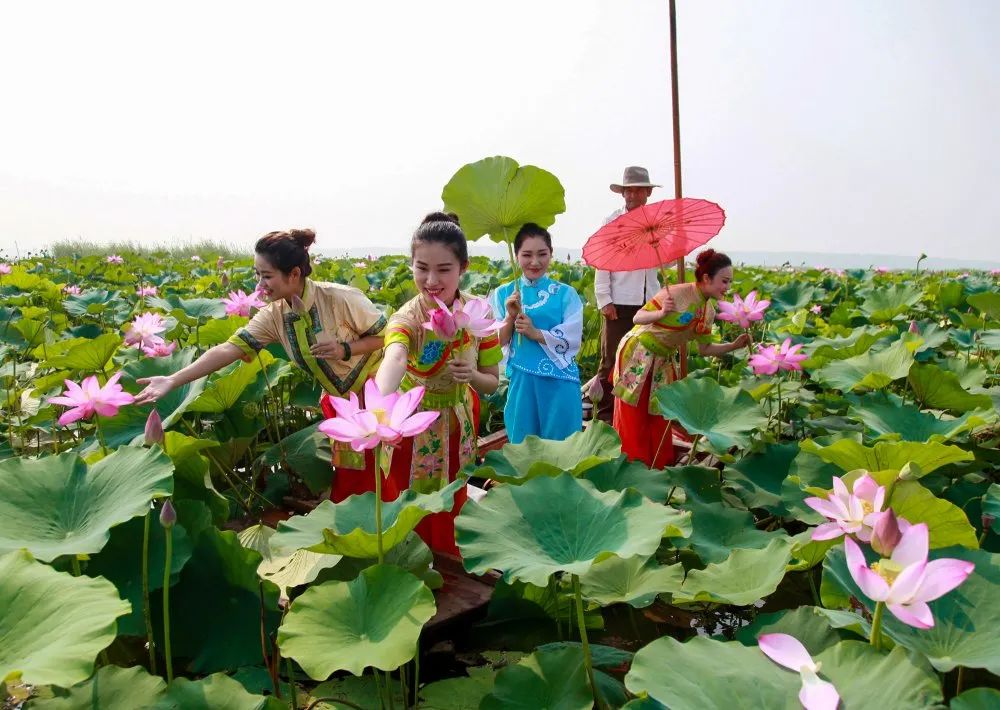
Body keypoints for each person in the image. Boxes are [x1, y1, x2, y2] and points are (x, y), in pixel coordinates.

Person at [133, 229, 387, 501]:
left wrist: (345, 349)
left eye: (267, 276)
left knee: (384, 468)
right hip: (341, 402)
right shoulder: (274, 316)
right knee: (351, 472)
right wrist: (173, 380)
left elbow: (386, 338)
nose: (259, 285)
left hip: (380, 391)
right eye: (257, 275)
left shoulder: (340, 298)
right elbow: (229, 349)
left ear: (294, 274)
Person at [374, 212, 502, 555]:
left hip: (458, 423)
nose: (432, 279)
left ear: (464, 267)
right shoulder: (406, 318)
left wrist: (471, 375)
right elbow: (395, 358)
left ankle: (449, 564)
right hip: (410, 425)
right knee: (407, 506)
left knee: (451, 504)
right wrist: (379, 409)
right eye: (421, 268)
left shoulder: (479, 314)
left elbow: (492, 382)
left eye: (444, 269)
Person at [611, 249, 749, 468]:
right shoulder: (674, 293)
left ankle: (657, 464)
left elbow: (704, 349)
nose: (727, 288)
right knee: (633, 413)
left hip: (663, 358)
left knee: (658, 413)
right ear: (706, 278)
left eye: (730, 282)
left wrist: (733, 346)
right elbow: (638, 317)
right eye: (724, 281)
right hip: (639, 352)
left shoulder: (708, 311)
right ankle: (630, 464)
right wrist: (661, 313)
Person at [490, 223, 583, 444]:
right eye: (527, 255)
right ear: (516, 255)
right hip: (522, 382)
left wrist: (536, 333)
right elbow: (496, 342)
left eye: (542, 254)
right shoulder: (504, 293)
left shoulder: (566, 294)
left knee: (562, 450)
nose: (535, 262)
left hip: (560, 382)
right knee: (523, 448)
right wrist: (510, 317)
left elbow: (572, 338)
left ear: (551, 254)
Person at [593, 166, 662, 422]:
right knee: (611, 360)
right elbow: (602, 260)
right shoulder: (612, 221)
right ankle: (604, 419)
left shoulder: (657, 222)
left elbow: (663, 260)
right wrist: (604, 299)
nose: (631, 195)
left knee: (643, 360)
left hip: (649, 303)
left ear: (647, 193)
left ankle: (633, 419)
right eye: (627, 190)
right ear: (622, 194)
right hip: (618, 302)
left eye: (636, 190)